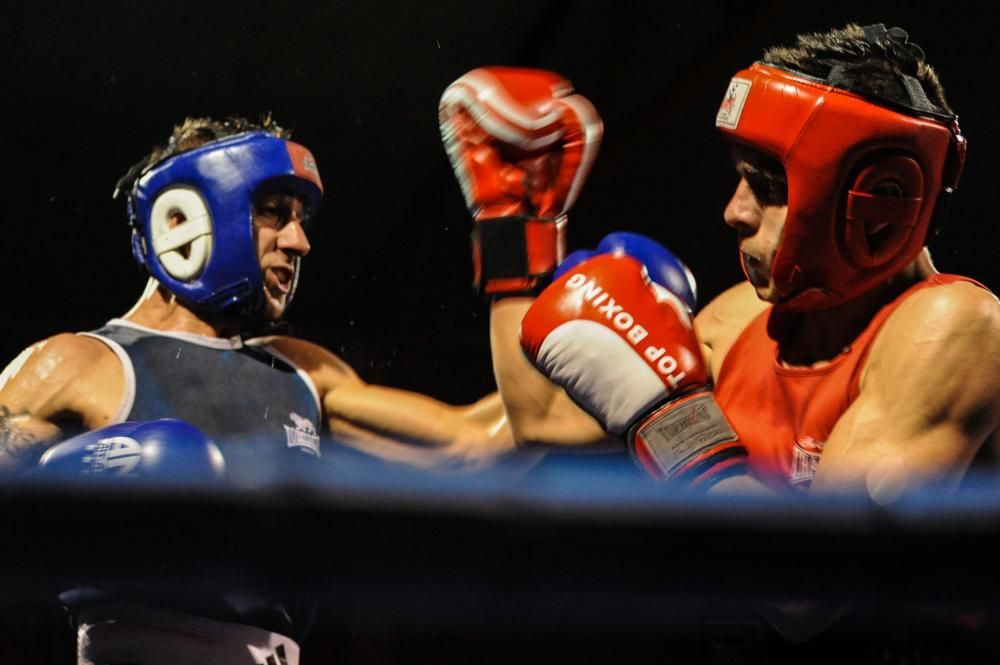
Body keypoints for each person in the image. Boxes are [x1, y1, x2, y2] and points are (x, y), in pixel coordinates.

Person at [0, 115, 520, 664]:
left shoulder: (302, 371)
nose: (300, 242)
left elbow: (479, 443)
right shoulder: (77, 363)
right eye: (273, 212)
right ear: (185, 219)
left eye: (299, 218)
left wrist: (519, 235)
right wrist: (82, 476)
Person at [440, 24, 1000, 499]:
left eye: (766, 184)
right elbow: (541, 421)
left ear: (877, 203)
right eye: (739, 177)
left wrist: (677, 427)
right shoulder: (741, 322)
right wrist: (513, 222)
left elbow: (811, 591)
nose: (734, 212)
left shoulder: (954, 329)